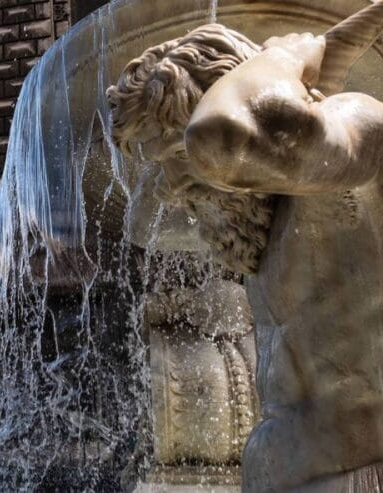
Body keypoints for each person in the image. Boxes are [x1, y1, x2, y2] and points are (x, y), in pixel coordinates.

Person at [109, 18, 383, 492]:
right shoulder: (264, 220)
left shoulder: (359, 119)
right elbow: (141, 223)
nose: (172, 189)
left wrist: (284, 55)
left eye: (180, 155)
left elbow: (226, 134)